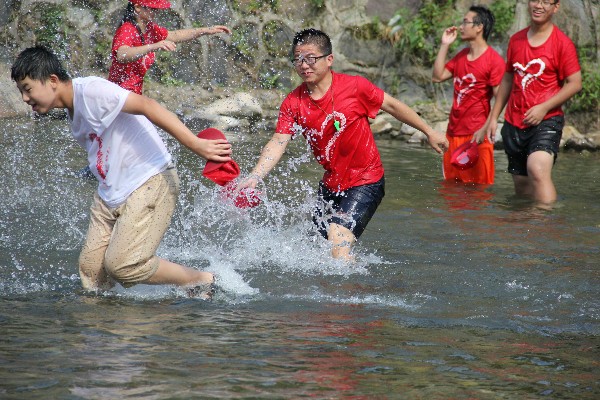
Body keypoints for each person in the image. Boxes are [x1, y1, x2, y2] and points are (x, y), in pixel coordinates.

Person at [11, 46, 233, 295]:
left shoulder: (92, 91)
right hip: (110, 193)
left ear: (52, 80)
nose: (25, 99)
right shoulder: (72, 110)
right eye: (21, 91)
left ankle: (203, 279)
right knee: (91, 272)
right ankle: (108, 328)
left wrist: (195, 144)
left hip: (150, 180)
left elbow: (147, 105)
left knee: (123, 265)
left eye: (27, 89)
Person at [238, 28, 448, 260]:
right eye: (298, 59)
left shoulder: (355, 87)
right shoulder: (293, 102)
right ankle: (344, 285)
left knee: (337, 237)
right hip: (331, 184)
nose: (304, 65)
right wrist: (256, 176)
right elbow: (278, 141)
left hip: (366, 181)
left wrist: (429, 131)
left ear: (329, 59)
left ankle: (350, 294)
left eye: (310, 58)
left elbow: (393, 106)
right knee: (314, 251)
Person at [484, 0, 581, 204]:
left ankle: (544, 225)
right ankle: (525, 228)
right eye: (535, 0)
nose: (539, 5)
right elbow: (508, 78)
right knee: (521, 184)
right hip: (514, 121)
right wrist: (493, 117)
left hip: (547, 120)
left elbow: (574, 83)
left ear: (556, 7)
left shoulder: (562, 43)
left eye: (546, 2)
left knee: (537, 170)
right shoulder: (516, 40)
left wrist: (544, 107)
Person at [432, 5, 505, 185]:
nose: (461, 26)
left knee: (479, 190)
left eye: (466, 22)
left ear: (479, 27)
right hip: (452, 133)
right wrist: (445, 45)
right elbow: (437, 76)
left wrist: (486, 127)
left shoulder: (494, 60)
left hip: (477, 135)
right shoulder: (461, 56)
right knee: (450, 188)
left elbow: (501, 98)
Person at [108, 0, 231, 94]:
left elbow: (175, 35)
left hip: (132, 94)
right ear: (138, 8)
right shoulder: (127, 29)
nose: (156, 12)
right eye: (152, 9)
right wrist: (153, 46)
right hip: (119, 94)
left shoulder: (149, 28)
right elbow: (122, 54)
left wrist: (206, 30)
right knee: (156, 112)